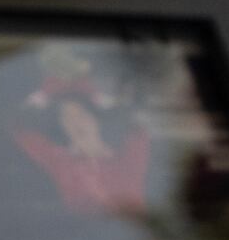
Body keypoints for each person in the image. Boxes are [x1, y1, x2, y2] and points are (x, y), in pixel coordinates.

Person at [13, 84, 150, 217]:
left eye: (81, 114)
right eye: (66, 118)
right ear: (63, 128)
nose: (75, 122)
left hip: (129, 233)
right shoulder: (59, 160)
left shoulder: (128, 160)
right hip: (85, 234)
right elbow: (16, 125)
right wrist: (44, 94)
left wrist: (99, 96)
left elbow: (139, 117)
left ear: (96, 120)